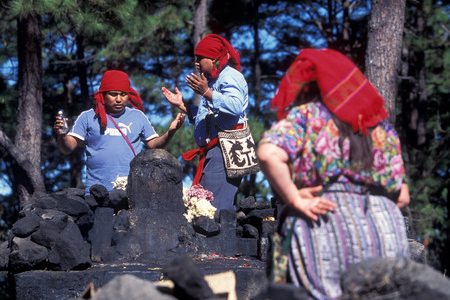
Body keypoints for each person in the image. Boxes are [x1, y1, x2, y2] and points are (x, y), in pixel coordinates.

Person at [257, 49, 410, 299]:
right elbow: (402, 196)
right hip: (385, 229)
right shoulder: (381, 128)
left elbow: (268, 154)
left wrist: (294, 198)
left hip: (323, 221)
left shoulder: (309, 116)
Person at [54, 70, 185, 194]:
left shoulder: (138, 117)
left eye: (123, 94)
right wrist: (61, 135)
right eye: (113, 94)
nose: (118, 99)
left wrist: (170, 132)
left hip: (132, 190)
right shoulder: (88, 117)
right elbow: (67, 148)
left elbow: (154, 145)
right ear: (103, 94)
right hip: (96, 191)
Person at [161, 34, 248, 211]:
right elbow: (211, 117)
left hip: (224, 150)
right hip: (216, 151)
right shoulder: (213, 81)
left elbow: (236, 106)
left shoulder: (229, 77)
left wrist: (207, 92)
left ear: (215, 58)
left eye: (200, 58)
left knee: (213, 209)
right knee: (207, 207)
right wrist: (182, 105)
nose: (196, 63)